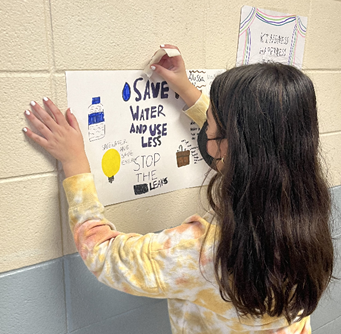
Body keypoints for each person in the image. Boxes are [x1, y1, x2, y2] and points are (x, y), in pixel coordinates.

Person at [23, 44, 334, 334]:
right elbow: (255, 145)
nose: (207, 129)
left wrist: (74, 163)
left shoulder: (201, 253)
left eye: (210, 124)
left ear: (230, 145)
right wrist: (186, 90)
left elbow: (103, 254)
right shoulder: (307, 218)